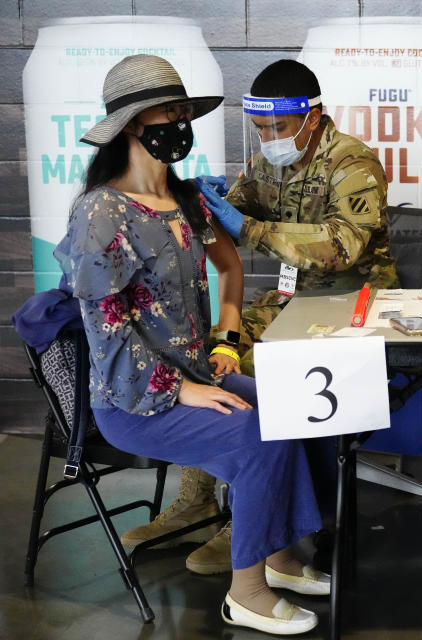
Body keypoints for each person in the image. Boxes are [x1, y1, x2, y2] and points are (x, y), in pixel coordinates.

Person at [54, 54, 329, 635]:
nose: (180, 121)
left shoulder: (185, 200)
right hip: (135, 402)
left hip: (198, 375)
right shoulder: (101, 213)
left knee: (288, 410)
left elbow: (231, 272)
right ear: (132, 124)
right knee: (255, 430)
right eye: (168, 111)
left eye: (185, 110)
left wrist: (225, 342)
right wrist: (182, 389)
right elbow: (107, 331)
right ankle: (246, 592)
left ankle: (276, 557)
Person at [123, 58, 398, 574]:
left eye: (278, 128)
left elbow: (343, 246)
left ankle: (253, 519)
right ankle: (199, 498)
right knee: (209, 356)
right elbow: (237, 206)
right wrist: (204, 201)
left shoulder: (353, 163)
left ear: (311, 119)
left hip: (353, 306)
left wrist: (246, 228)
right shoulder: (269, 162)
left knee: (259, 372)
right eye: (259, 129)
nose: (268, 138)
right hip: (292, 302)